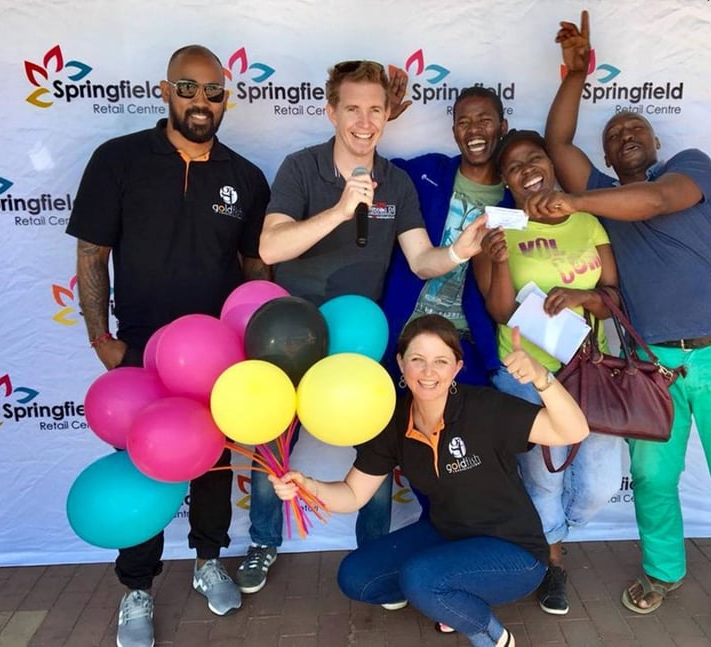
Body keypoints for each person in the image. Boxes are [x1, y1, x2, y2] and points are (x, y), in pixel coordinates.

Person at [539, 12, 711, 646]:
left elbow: (657, 202)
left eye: (635, 128)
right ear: (609, 156)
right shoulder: (605, 194)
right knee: (651, 480)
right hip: (652, 368)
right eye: (615, 134)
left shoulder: (690, 169)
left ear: (655, 145)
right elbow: (559, 142)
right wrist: (575, 75)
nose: (625, 135)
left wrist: (578, 202)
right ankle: (663, 573)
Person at [237, 60, 488, 599]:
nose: (364, 121)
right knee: (270, 434)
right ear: (332, 112)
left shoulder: (395, 180)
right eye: (352, 108)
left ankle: (372, 550)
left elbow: (421, 259)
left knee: (378, 441)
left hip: (361, 336)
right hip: (292, 333)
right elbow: (271, 247)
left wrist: (457, 252)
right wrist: (341, 208)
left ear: (387, 114)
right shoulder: (300, 169)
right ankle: (262, 541)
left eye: (376, 109)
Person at [66, 45, 271, 647]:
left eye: (212, 92)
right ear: (165, 91)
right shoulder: (119, 160)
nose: (200, 102)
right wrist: (100, 336)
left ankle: (208, 560)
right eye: (188, 89)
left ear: (225, 99)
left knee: (210, 465)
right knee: (142, 468)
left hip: (217, 360)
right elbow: (91, 253)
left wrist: (256, 344)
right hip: (140, 358)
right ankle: (137, 588)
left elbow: (255, 267)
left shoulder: (245, 176)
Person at [267, 314, 589, 647]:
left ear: (457, 368)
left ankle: (490, 634)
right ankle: (448, 596)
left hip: (514, 551)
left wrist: (542, 378)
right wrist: (308, 485)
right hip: (448, 535)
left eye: (440, 361)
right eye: (417, 360)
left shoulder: (485, 408)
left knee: (421, 578)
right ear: (400, 364)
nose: (428, 372)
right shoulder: (393, 421)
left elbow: (574, 430)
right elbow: (352, 494)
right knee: (355, 577)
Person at [473, 128, 623, 616]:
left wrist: (585, 298)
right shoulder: (497, 227)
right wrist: (497, 262)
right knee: (543, 484)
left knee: (600, 485)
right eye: (514, 167)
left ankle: (554, 531)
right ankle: (552, 562)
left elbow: (616, 299)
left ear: (551, 165)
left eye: (534, 159)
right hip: (525, 374)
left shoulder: (587, 221)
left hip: (589, 374)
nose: (527, 170)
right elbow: (499, 310)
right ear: (506, 181)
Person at [380, 85, 510, 388]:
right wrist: (381, 117)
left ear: (503, 127)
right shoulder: (428, 172)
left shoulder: (513, 200)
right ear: (454, 131)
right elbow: (367, 172)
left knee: (464, 430)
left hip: (465, 342)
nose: (474, 130)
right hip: (403, 333)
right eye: (464, 122)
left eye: (485, 120)